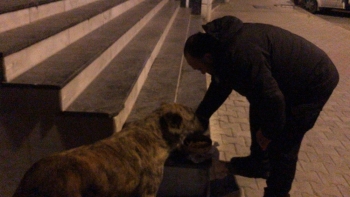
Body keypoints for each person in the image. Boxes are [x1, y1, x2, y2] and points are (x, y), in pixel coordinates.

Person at [184, 16, 339, 197]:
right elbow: (220, 87)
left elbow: (274, 99)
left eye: (199, 68)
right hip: (288, 81)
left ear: (207, 57)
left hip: (315, 80)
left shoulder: (239, 53)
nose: (202, 72)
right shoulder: (222, 48)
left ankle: (277, 193)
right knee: (259, 107)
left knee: (284, 142)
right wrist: (199, 120)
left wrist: (268, 132)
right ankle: (258, 164)